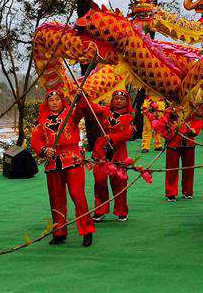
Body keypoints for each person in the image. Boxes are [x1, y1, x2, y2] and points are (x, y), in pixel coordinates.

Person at [30, 90, 97, 246]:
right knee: (56, 198)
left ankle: (87, 230)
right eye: (51, 100)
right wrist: (44, 150)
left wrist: (80, 98)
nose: (54, 102)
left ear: (62, 101)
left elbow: (83, 110)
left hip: (73, 159)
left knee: (77, 195)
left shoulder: (71, 114)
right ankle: (59, 232)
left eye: (57, 99)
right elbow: (36, 140)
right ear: (47, 103)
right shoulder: (42, 120)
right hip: (53, 163)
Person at [91, 90, 134, 222]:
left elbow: (128, 134)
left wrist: (113, 137)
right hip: (102, 152)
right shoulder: (105, 111)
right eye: (116, 98)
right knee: (99, 180)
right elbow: (93, 108)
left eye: (122, 99)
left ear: (127, 101)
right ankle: (100, 210)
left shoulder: (129, 117)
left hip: (119, 153)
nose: (118, 101)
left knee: (119, 182)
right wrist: (84, 97)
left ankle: (121, 210)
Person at [165, 116, 200, 201]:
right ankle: (171, 193)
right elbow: (164, 124)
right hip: (173, 143)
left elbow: (198, 119)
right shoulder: (170, 111)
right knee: (171, 169)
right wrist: (171, 129)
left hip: (189, 143)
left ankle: (188, 191)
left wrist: (194, 130)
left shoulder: (193, 111)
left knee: (189, 169)